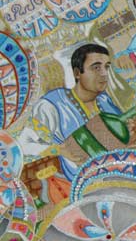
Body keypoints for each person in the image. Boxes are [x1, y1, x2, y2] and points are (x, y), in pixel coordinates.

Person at [32, 44, 122, 181]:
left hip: (120, 168)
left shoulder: (104, 100)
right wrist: (58, 149)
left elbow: (122, 127)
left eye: (107, 67)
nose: (104, 73)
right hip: (84, 180)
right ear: (77, 73)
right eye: (96, 67)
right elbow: (26, 143)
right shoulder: (52, 104)